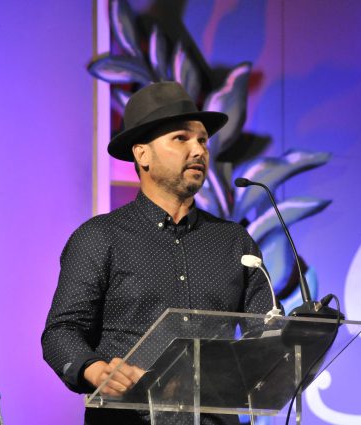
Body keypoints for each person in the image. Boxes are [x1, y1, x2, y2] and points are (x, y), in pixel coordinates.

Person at [42, 81, 273, 424]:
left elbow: (265, 337)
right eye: (181, 138)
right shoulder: (99, 237)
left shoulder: (235, 242)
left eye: (202, 141)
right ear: (142, 155)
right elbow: (61, 332)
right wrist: (94, 369)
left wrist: (296, 335)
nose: (198, 151)